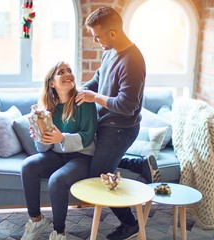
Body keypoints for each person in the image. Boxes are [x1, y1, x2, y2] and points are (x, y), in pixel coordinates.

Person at [75, 7, 160, 240]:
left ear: (113, 33)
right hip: (107, 124)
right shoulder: (109, 51)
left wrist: (94, 98)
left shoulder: (133, 61)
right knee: (99, 161)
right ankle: (138, 164)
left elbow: (126, 106)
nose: (95, 40)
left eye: (97, 36)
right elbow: (98, 79)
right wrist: (80, 91)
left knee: (99, 176)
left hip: (121, 128)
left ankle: (130, 224)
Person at [21, 61, 97, 240]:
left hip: (82, 156)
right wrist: (39, 136)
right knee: (28, 166)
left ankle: (59, 232)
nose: (67, 74)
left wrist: (61, 137)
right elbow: (43, 149)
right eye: (61, 72)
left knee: (57, 180)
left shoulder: (84, 101)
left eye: (69, 70)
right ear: (51, 83)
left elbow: (87, 137)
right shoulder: (47, 109)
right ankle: (36, 220)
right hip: (57, 154)